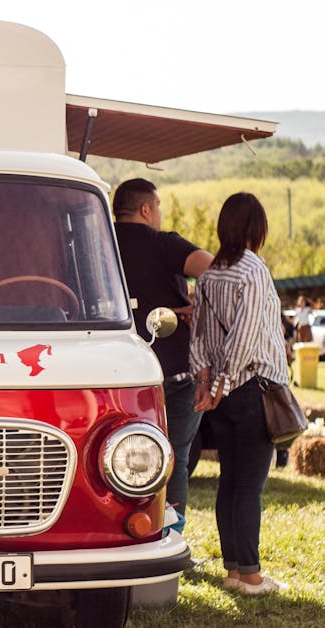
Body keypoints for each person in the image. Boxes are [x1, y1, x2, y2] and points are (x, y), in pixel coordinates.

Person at [190, 192, 287, 596]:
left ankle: (233, 570)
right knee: (249, 485)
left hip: (222, 395)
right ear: (256, 228)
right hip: (248, 389)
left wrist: (207, 382)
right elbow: (246, 338)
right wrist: (223, 382)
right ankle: (249, 576)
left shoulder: (210, 273)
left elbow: (198, 336)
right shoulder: (254, 269)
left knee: (230, 481)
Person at [112, 178, 213, 532]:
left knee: (119, 460)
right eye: (157, 208)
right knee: (176, 458)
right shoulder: (163, 243)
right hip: (174, 367)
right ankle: (172, 533)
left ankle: (127, 531)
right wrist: (192, 306)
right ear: (145, 209)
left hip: (117, 375)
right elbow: (216, 270)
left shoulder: (97, 240)